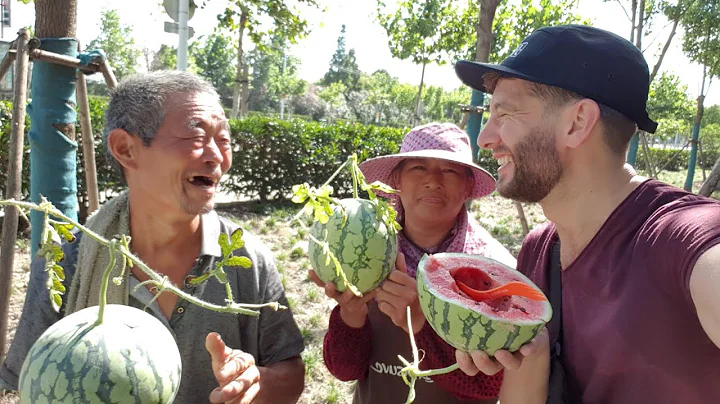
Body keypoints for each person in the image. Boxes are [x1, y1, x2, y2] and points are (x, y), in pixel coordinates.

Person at [452, 24, 720, 404]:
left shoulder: (682, 238)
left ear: (577, 123)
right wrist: (528, 354)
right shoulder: (538, 250)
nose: (485, 137)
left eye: (505, 114)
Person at [0, 71, 305, 403]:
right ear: (126, 149)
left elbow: (290, 373)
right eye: (196, 136)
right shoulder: (67, 260)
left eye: (224, 139)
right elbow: (32, 380)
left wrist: (255, 382)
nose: (217, 156)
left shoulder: (247, 259)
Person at [311, 122, 518, 403]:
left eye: (449, 170)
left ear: (468, 185)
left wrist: (420, 322)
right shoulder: (363, 249)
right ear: (396, 181)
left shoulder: (492, 270)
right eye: (418, 167)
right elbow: (345, 370)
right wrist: (351, 313)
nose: (433, 180)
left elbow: (487, 388)